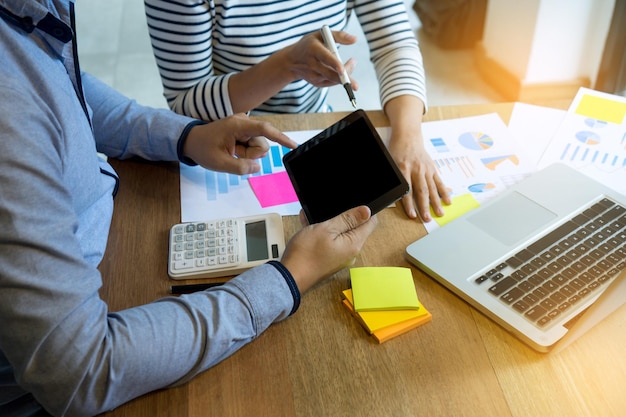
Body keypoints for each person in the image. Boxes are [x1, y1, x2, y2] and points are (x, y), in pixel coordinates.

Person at [0, 1, 378, 416]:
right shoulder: (8, 110)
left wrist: (186, 137)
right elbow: (80, 372)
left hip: (105, 252)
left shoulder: (26, 18)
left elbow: (64, 87)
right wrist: (291, 277)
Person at [143, 0, 452, 223]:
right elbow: (185, 101)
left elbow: (394, 45)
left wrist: (409, 134)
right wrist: (286, 65)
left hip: (314, 125)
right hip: (231, 140)